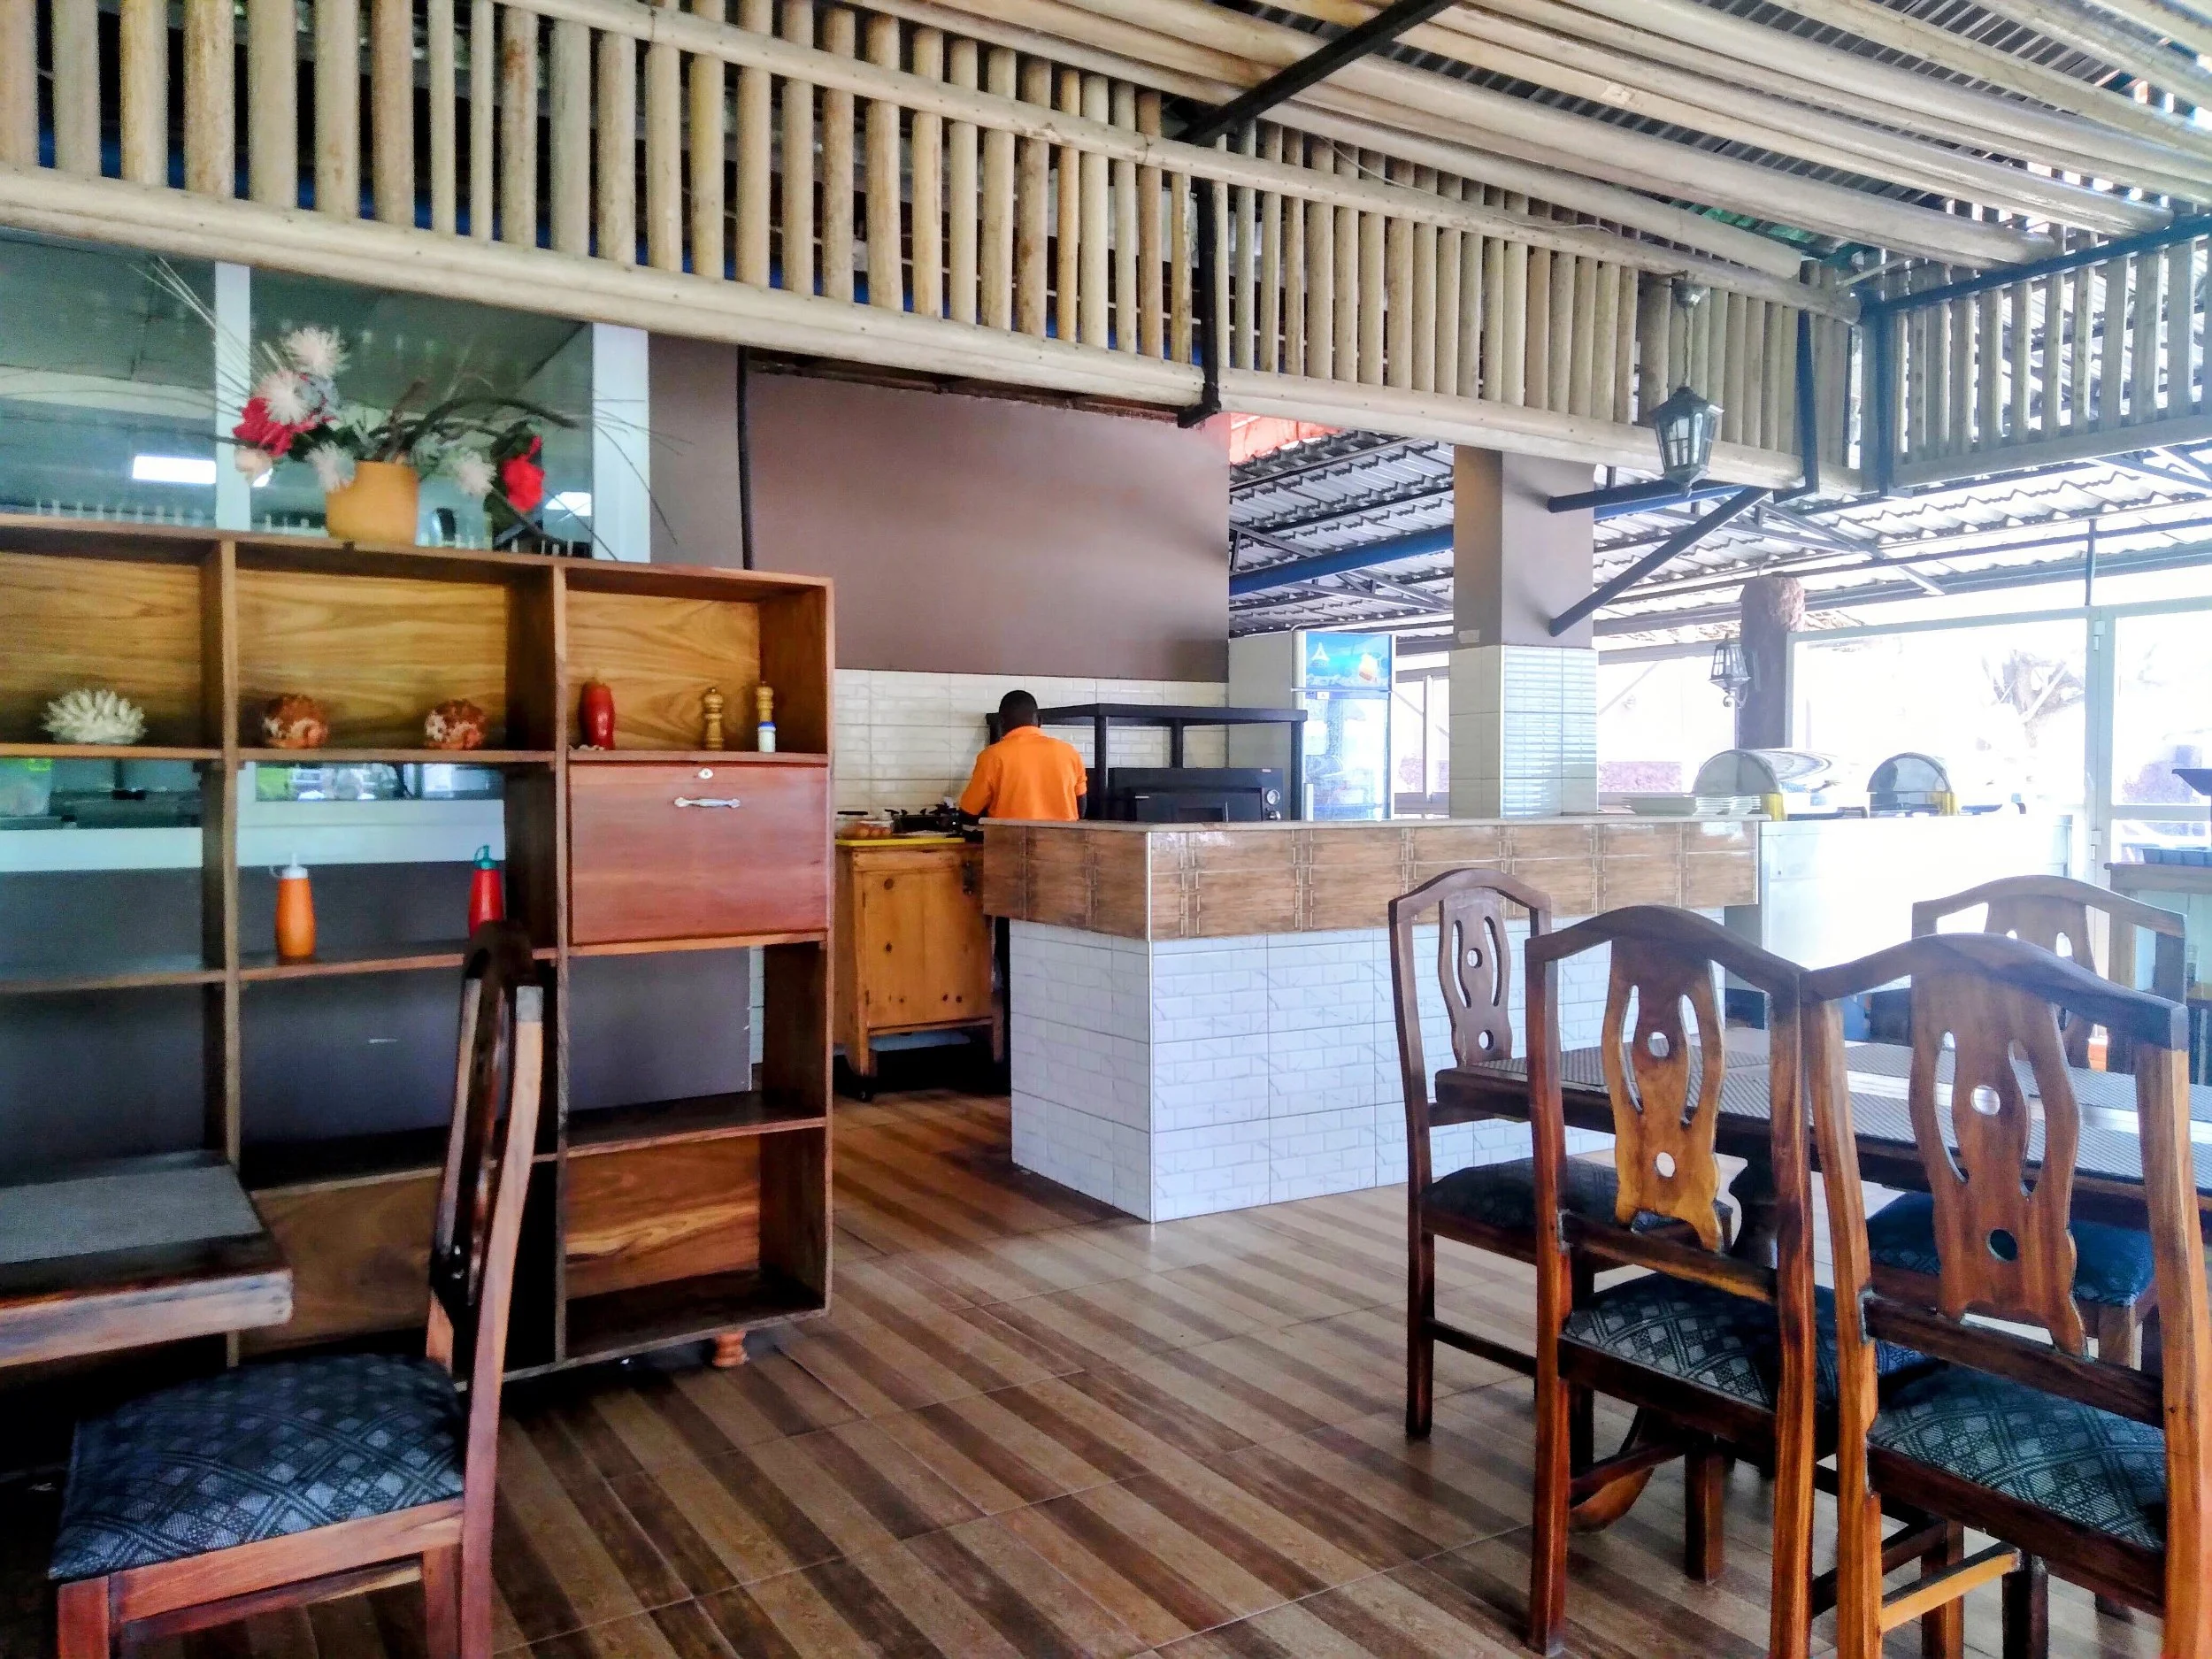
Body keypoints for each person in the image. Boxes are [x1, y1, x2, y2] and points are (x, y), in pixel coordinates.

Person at [958, 689, 1088, 821]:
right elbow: (1081, 808)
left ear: (1001, 722)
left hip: (1010, 835)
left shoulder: (992, 756)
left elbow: (969, 813)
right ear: (1040, 720)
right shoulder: (1070, 752)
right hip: (1064, 834)